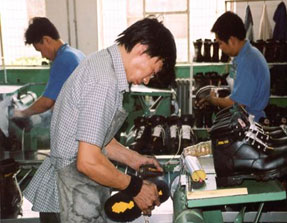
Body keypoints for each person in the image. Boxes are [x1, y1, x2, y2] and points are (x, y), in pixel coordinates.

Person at [24, 17, 176, 223]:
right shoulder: (104, 80)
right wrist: (136, 187)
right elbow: (87, 161)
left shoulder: (103, 64)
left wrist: (134, 159)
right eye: (153, 70)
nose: (149, 79)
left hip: (78, 187)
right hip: (74, 192)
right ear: (142, 49)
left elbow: (96, 139)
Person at [198, 11, 270, 122]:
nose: (220, 48)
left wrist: (214, 100)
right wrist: (215, 96)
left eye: (220, 43)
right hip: (242, 119)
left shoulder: (247, 62)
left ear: (231, 40)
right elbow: (234, 89)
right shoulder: (239, 58)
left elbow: (237, 103)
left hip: (250, 124)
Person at [12, 17, 85, 119]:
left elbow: (47, 101)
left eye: (40, 50)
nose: (42, 56)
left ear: (46, 40)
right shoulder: (76, 53)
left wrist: (22, 113)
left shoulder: (63, 59)